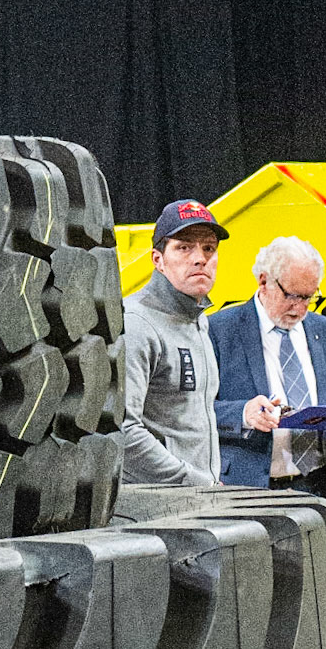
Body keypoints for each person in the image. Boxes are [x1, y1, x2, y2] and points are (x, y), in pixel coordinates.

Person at [211, 235, 326, 518]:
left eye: (309, 297)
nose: (300, 308)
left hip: (319, 490)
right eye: (292, 296)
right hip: (249, 490)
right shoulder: (219, 331)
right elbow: (192, 411)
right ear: (263, 281)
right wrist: (243, 414)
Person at [122, 199, 229, 487]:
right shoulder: (135, 322)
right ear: (158, 259)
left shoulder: (198, 320)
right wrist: (194, 482)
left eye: (209, 248)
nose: (200, 258)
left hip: (193, 500)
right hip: (152, 508)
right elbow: (122, 430)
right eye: (184, 247)